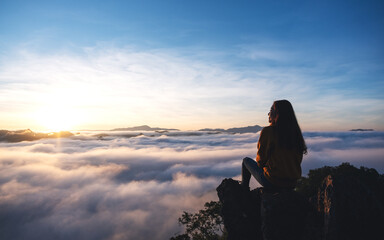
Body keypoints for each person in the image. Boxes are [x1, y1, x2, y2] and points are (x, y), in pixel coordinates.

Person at [241, 100, 307, 190]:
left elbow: (260, 162)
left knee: (246, 161)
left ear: (277, 113)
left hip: (272, 182)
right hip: (292, 184)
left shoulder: (269, 131)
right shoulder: (295, 134)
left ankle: (243, 190)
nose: (268, 113)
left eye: (271, 110)